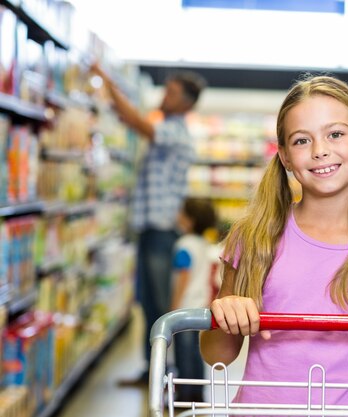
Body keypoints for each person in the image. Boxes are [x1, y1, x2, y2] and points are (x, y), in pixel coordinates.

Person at [199, 75, 348, 406]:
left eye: (335, 134)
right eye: (301, 141)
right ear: (284, 156)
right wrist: (225, 313)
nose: (320, 151)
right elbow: (216, 355)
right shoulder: (254, 237)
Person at [90, 63, 206, 386]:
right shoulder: (169, 128)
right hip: (151, 230)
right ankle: (153, 370)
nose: (163, 96)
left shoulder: (174, 132)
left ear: (187, 103)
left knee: (160, 305)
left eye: (171, 92)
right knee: (151, 303)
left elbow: (136, 121)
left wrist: (109, 82)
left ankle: (164, 374)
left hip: (161, 232)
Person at [171, 197, 222, 402]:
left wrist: (173, 306)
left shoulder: (184, 245)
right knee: (195, 351)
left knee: (183, 352)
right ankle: (198, 393)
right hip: (200, 305)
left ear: (190, 221)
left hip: (184, 305)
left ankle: (183, 395)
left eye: (181, 213)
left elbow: (183, 276)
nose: (178, 216)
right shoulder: (203, 244)